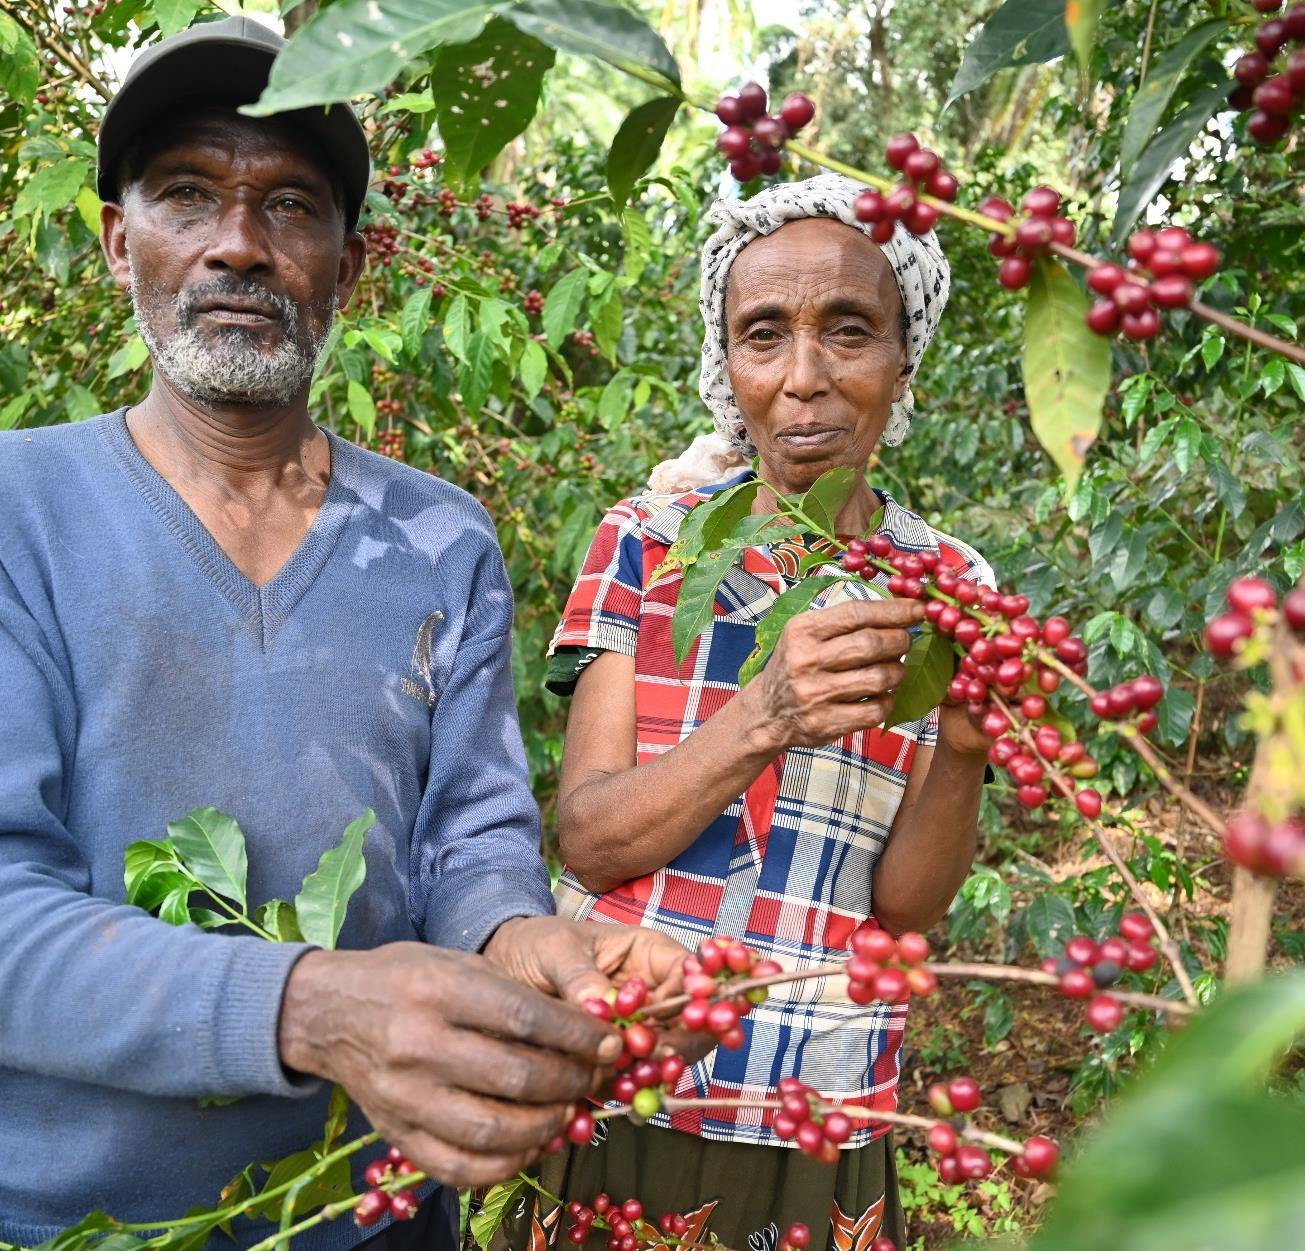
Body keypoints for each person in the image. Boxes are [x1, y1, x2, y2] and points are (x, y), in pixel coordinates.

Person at [0, 18, 688, 1251]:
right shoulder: (19, 513)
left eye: (291, 207)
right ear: (118, 242)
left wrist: (523, 937)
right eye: (187, 195)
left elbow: (471, 838)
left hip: (371, 1213)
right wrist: (307, 1007)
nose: (239, 246)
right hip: (68, 1219)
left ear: (348, 266)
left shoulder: (444, 539)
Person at [520, 175, 997, 1249]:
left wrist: (963, 745)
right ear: (725, 365)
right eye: (764, 335)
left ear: (903, 357)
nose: (804, 380)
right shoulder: (650, 541)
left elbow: (906, 911)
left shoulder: (947, 582)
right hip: (619, 1070)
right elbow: (590, 841)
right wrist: (765, 715)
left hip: (814, 1101)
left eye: (850, 331)